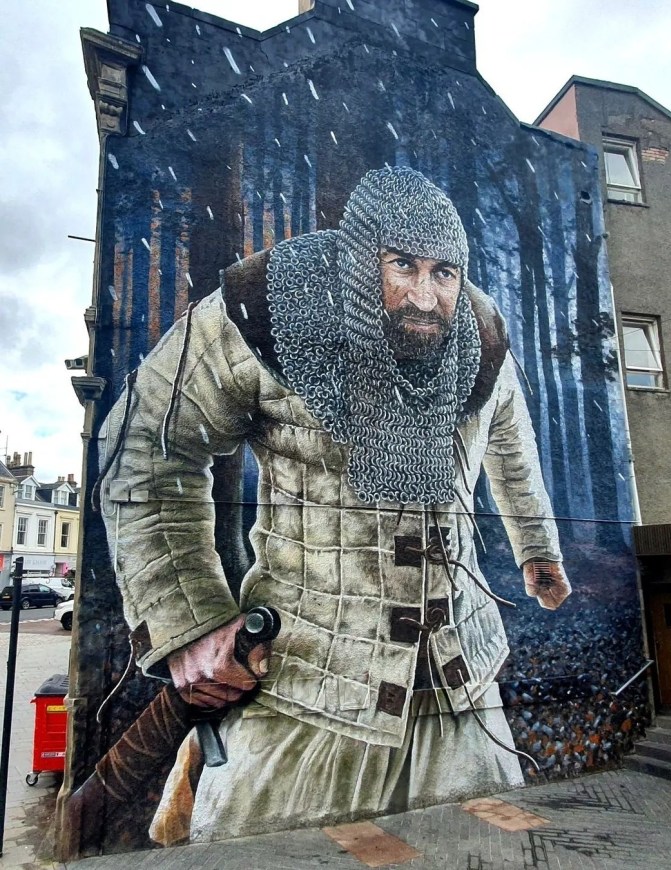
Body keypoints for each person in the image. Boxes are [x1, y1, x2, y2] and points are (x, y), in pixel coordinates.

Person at [98, 166, 571, 844]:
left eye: (443, 273)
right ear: (357, 259)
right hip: (305, 694)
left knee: (491, 857)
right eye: (402, 265)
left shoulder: (482, 331)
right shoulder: (267, 307)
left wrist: (538, 549)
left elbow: (511, 442)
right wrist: (189, 623)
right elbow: (144, 443)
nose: (425, 296)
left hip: (464, 698)